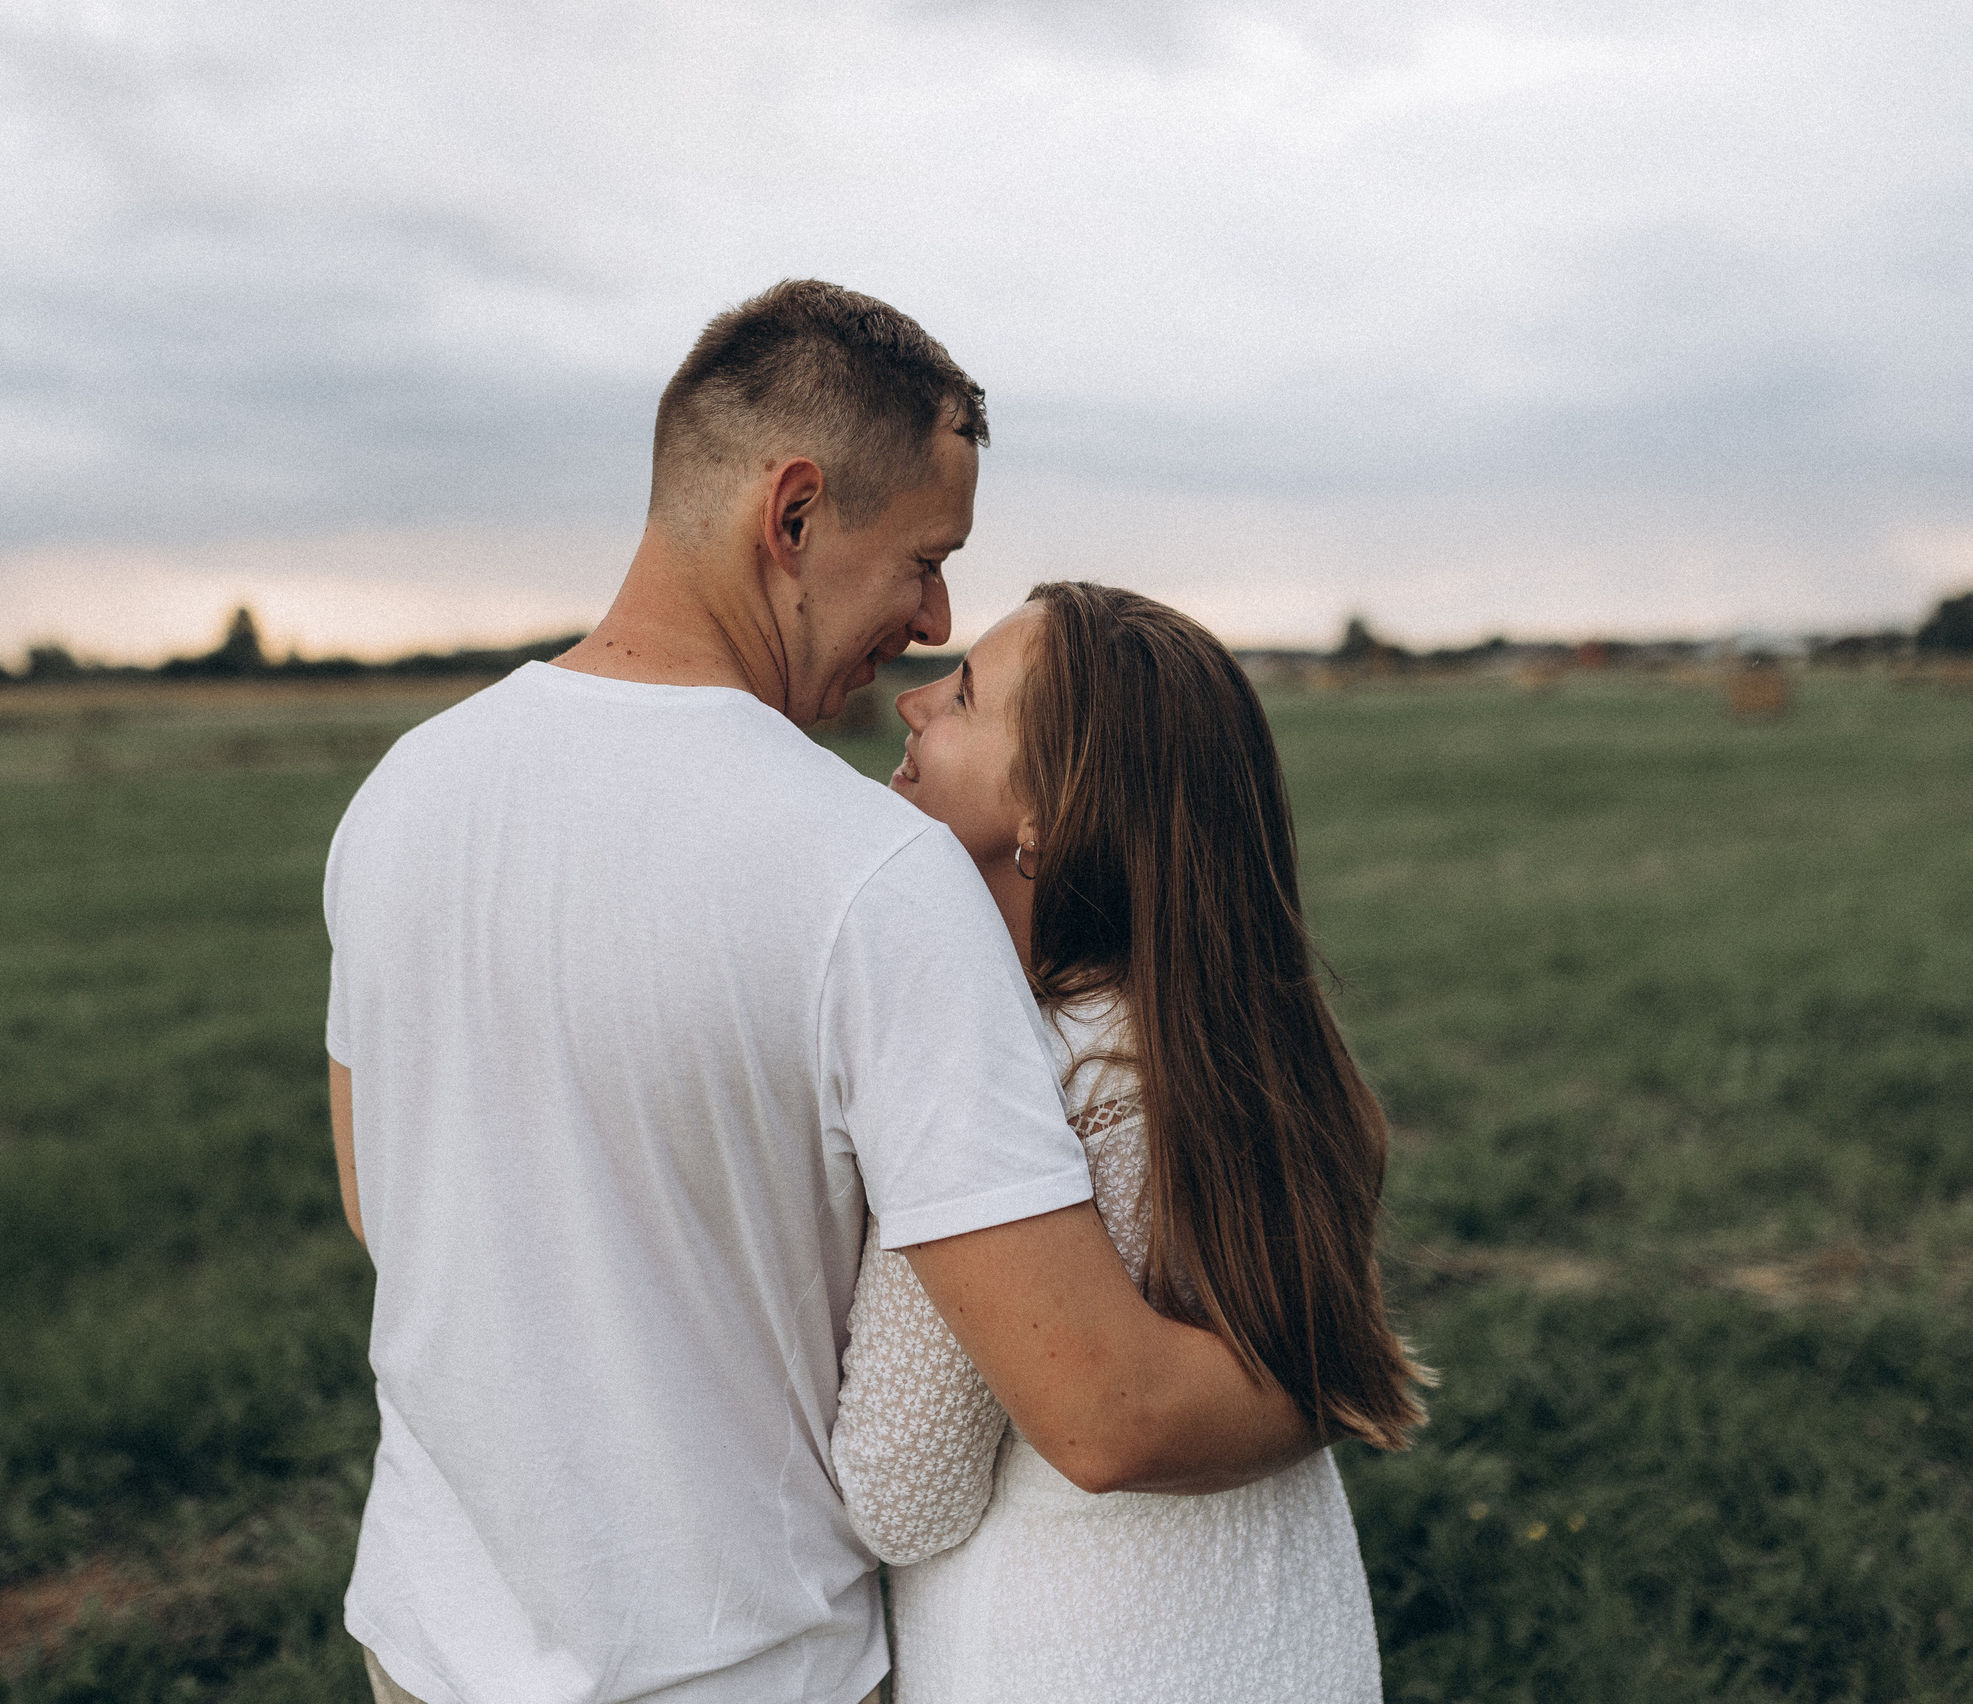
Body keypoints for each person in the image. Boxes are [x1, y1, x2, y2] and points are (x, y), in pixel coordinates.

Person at [321, 281, 1323, 1704]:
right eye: (924, 556)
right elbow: (1101, 1406)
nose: (933, 615)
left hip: (425, 1647)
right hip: (737, 1669)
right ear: (790, 516)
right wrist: (1333, 1379)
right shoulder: (875, 875)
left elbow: (386, 1204)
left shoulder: (402, 795)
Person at [833, 582, 1433, 1702]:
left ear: (1050, 817)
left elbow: (900, 1489)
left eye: (963, 697)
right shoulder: (1238, 1052)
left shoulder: (1023, 1073)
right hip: (1289, 1656)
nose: (911, 705)